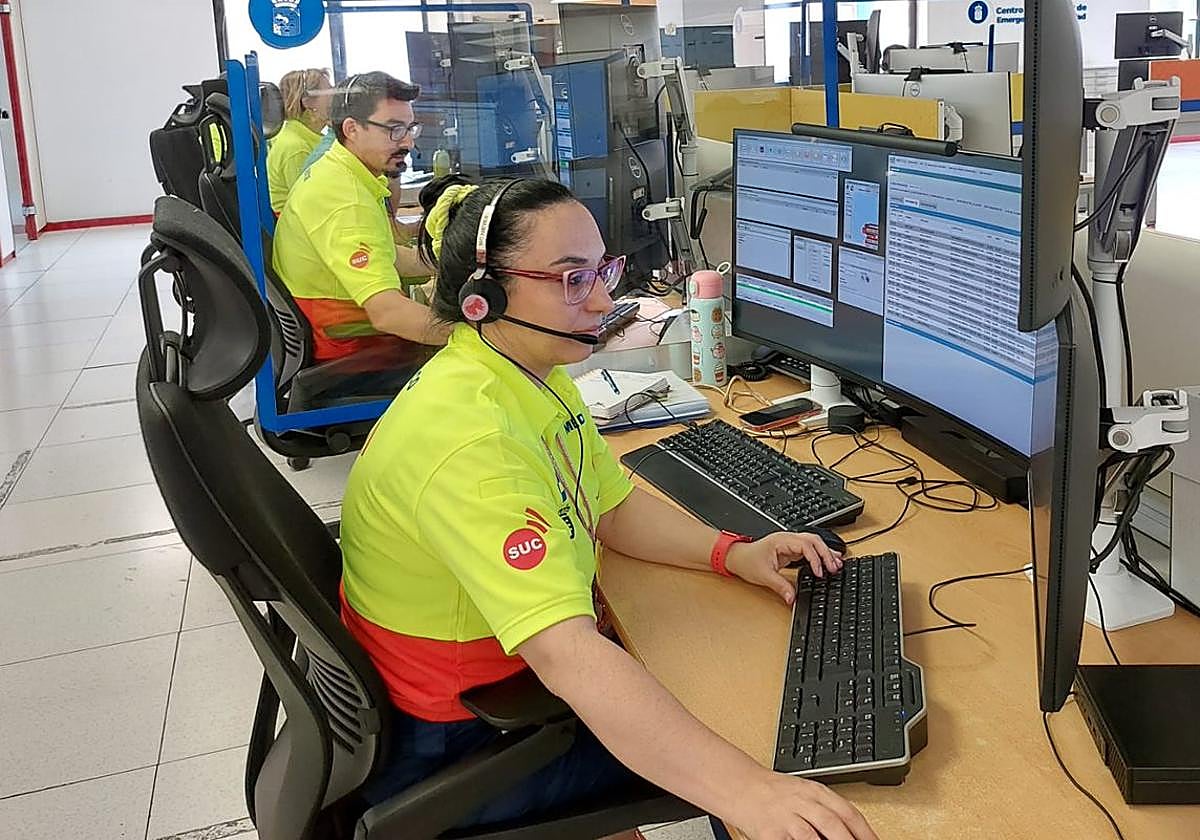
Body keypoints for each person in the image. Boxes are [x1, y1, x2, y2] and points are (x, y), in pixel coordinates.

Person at [337, 174, 878, 840]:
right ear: (485, 297)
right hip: (461, 740)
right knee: (763, 745)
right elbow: (570, 658)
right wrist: (748, 791)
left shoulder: (526, 374)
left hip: (501, 695)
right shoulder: (471, 441)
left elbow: (612, 510)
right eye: (571, 280)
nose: (602, 299)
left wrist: (731, 553)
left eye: (602, 271)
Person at [273, 71, 448, 394]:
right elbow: (387, 314)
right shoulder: (346, 200)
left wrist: (447, 260)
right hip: (356, 347)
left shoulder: (341, 172)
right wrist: (480, 336)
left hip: (345, 331)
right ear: (352, 129)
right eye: (394, 130)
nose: (408, 142)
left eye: (410, 128)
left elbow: (388, 256)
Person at [267, 68, 332, 214]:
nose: (334, 96)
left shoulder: (306, 135)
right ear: (308, 102)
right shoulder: (296, 147)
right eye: (328, 91)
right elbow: (311, 205)